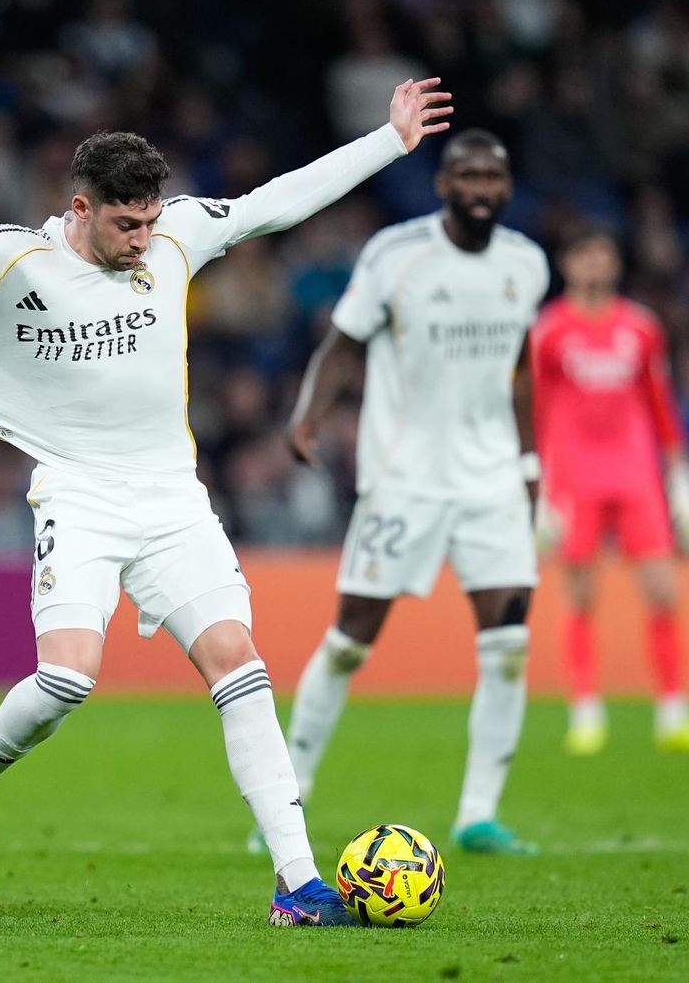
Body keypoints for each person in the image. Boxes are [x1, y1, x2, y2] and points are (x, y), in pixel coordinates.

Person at [0, 78, 453, 926]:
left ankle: (298, 882)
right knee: (65, 679)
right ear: (82, 206)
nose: (144, 238)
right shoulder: (10, 257)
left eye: (151, 219)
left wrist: (387, 140)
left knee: (240, 667)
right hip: (78, 492)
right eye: (126, 223)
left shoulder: (176, 235)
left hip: (172, 497)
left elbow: (277, 204)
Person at [274, 130, 548, 857]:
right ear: (443, 185)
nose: (481, 188)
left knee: (510, 642)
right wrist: (309, 414)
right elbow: (342, 342)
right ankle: (288, 792)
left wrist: (528, 465)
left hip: (491, 476)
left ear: (508, 186)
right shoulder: (397, 256)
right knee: (350, 638)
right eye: (467, 175)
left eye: (494, 175)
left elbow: (520, 371)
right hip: (404, 478)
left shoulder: (528, 263)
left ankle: (477, 815)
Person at [530, 228, 689, 756]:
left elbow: (661, 403)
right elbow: (537, 413)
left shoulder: (640, 327)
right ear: (568, 264)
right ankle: (586, 713)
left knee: (663, 591)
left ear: (615, 263)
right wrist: (539, 490)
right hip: (575, 478)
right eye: (585, 255)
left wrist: (682, 482)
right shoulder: (549, 332)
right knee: (579, 594)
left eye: (603, 254)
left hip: (636, 474)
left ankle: (673, 715)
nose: (594, 265)